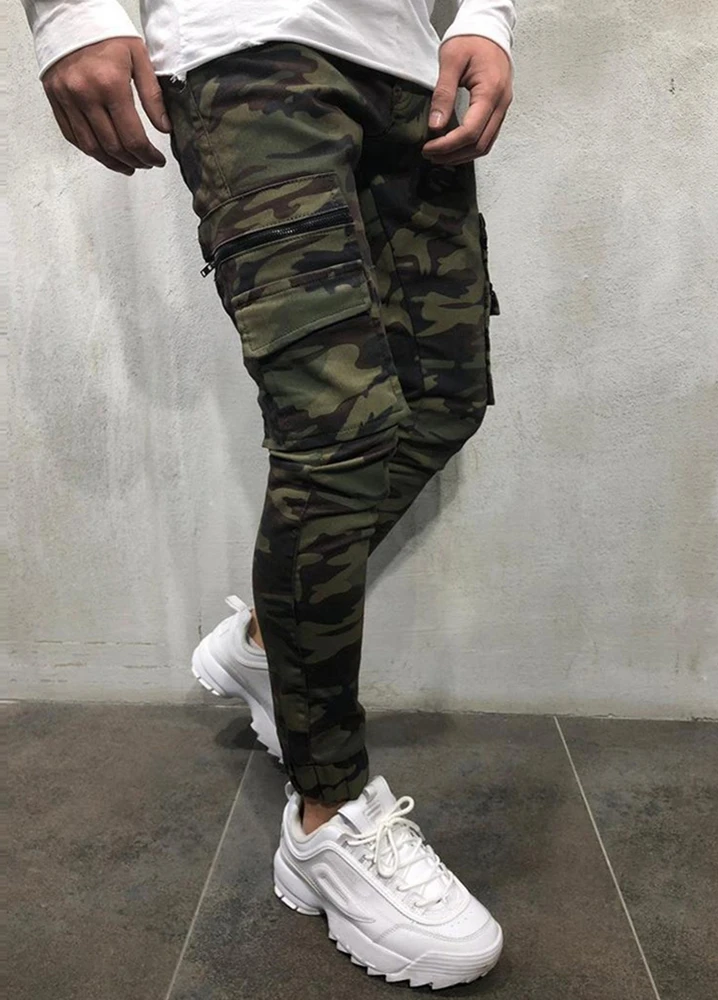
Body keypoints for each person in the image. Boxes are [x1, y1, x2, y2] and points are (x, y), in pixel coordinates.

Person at [23, 0, 516, 988]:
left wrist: (489, 17)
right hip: (249, 48)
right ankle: (326, 817)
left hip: (409, 72)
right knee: (338, 433)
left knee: (442, 401)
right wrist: (67, 11)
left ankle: (260, 646)